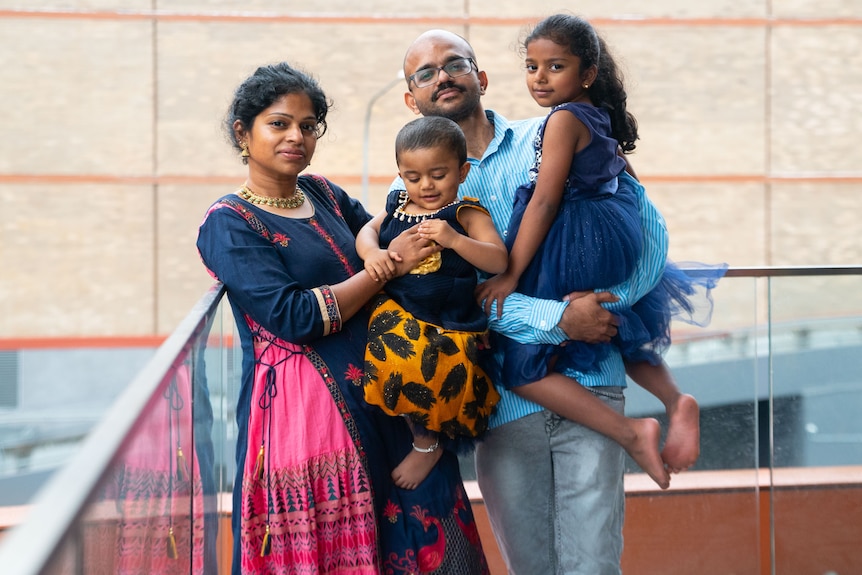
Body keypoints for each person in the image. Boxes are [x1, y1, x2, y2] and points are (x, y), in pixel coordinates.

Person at [400, 27, 713, 574]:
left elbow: (644, 224)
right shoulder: (420, 193)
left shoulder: (550, 134)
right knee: (534, 568)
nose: (442, 77)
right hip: (502, 403)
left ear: (482, 77)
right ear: (411, 99)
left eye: (455, 63)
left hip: (592, 378)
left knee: (593, 566)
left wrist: (612, 301)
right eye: (425, 73)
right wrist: (560, 318)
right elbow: (462, 303)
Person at [196, 62, 489, 574]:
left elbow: (398, 235)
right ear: (243, 132)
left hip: (393, 394)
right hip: (308, 415)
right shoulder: (229, 223)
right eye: (279, 123)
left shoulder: (324, 194)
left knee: (429, 535)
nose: (296, 137)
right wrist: (388, 266)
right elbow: (295, 316)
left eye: (308, 126)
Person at [471, 13, 726, 490]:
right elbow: (625, 184)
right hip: (611, 239)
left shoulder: (562, 121)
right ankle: (674, 400)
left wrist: (509, 275)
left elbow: (544, 202)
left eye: (555, 66)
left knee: (521, 368)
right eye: (531, 67)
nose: (540, 78)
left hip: (575, 241)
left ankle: (633, 433)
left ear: (587, 73)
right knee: (616, 321)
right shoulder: (597, 116)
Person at [356, 116, 508, 490]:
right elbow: (367, 231)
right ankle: (416, 435)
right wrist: (372, 254)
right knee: (390, 360)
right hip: (399, 310)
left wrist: (456, 241)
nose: (425, 185)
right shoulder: (398, 206)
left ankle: (429, 444)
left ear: (462, 171)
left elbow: (498, 260)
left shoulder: (465, 214)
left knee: (438, 371)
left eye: (438, 175)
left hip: (448, 321)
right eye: (413, 176)